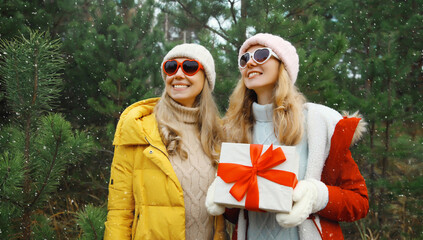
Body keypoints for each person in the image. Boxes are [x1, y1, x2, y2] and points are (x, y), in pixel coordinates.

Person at [206, 33, 369, 239]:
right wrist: (222, 190)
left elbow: (359, 202)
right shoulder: (233, 129)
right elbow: (236, 215)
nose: (250, 63)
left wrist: (315, 196)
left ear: (283, 65)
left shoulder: (317, 125)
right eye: (244, 59)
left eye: (262, 55)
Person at [104, 43, 226, 240]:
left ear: (206, 78)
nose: (177, 74)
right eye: (170, 67)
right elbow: (120, 211)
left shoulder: (219, 134)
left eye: (189, 67)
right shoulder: (139, 130)